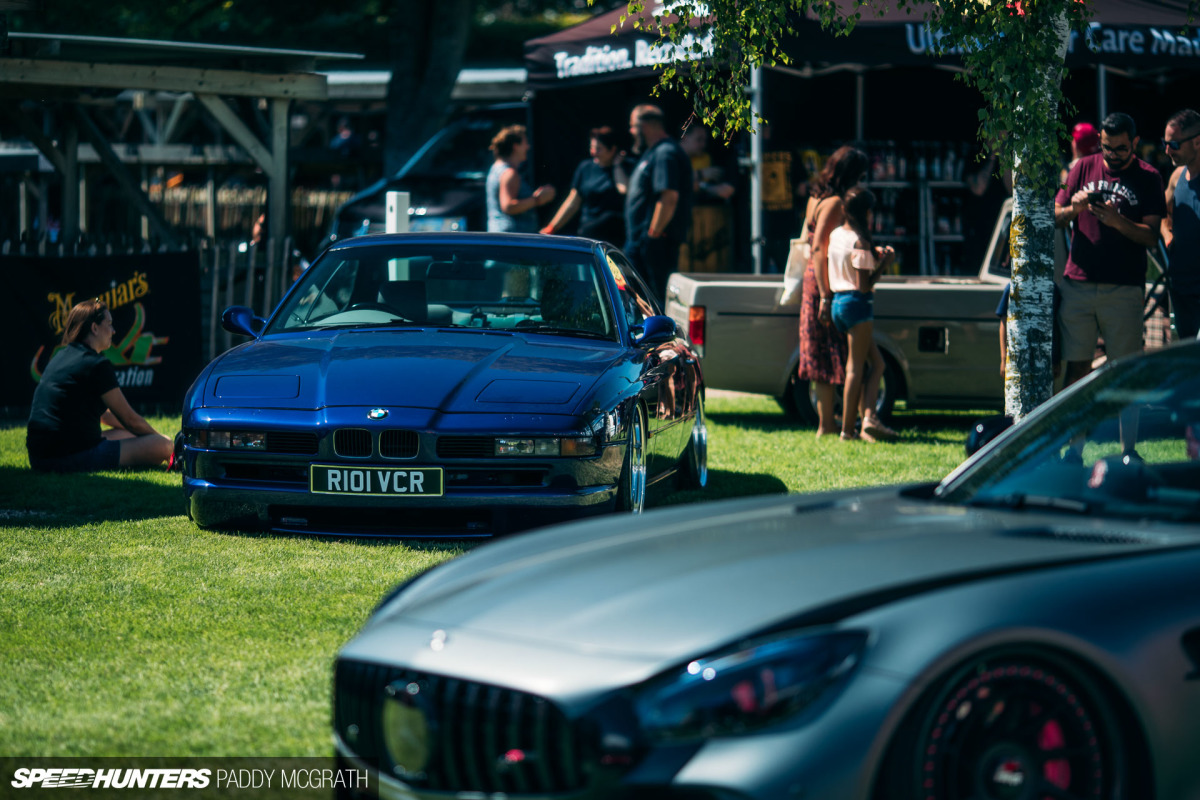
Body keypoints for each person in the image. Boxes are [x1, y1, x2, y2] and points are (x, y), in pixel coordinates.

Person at [1055, 112, 1164, 460]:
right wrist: (1074, 208)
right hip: (1079, 284)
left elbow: (1150, 237)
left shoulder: (1149, 177)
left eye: (1119, 149)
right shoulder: (1082, 167)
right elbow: (1054, 215)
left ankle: (1128, 451)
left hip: (1124, 287)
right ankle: (1075, 449)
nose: (1112, 156)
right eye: (1106, 148)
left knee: (1124, 372)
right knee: (1076, 369)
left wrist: (1118, 221)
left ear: (1134, 142)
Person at [26, 300, 173, 472]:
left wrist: (144, 435)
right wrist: (157, 438)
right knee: (164, 446)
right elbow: (130, 420)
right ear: (94, 328)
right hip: (69, 457)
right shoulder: (96, 364)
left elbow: (107, 417)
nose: (113, 330)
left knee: (131, 435)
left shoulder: (60, 357)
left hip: (39, 458)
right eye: (109, 324)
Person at [796, 145, 867, 438]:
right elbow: (818, 247)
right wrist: (826, 295)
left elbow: (804, 238)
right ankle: (827, 424)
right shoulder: (837, 202)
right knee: (825, 350)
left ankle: (827, 423)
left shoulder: (816, 197)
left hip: (812, 277)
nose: (862, 183)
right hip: (824, 280)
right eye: (860, 176)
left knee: (818, 350)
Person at [826, 187, 897, 441]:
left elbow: (845, 263)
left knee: (877, 363)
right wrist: (884, 265)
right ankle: (848, 430)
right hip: (858, 303)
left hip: (838, 303)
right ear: (867, 213)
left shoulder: (836, 235)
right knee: (855, 368)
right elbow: (864, 284)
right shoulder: (860, 241)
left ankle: (869, 420)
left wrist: (873, 257)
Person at [624, 104, 693, 302]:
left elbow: (669, 197)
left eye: (633, 126)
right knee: (641, 300)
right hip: (644, 241)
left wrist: (652, 235)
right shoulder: (654, 152)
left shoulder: (665, 152)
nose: (631, 131)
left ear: (644, 126)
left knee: (655, 299)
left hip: (656, 243)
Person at [541, 126, 628, 245]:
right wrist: (552, 227)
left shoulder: (624, 167)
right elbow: (572, 202)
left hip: (616, 238)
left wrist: (617, 166)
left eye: (599, 149)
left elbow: (624, 189)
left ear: (612, 149)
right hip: (589, 234)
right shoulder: (585, 168)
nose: (593, 152)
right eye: (592, 147)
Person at [1160, 108, 1200, 340]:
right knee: (1188, 363)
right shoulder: (1177, 177)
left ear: (1197, 141)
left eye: (1174, 144)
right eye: (1165, 143)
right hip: (1182, 287)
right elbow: (1164, 211)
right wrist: (1167, 234)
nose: (1167, 151)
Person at [678, 122, 736, 273]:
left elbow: (724, 190)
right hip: (683, 225)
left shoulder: (708, 158)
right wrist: (700, 176)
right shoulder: (674, 157)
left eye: (705, 140)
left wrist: (701, 185)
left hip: (709, 224)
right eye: (698, 139)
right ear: (685, 138)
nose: (703, 144)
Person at [486, 125, 556, 233]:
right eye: (525, 143)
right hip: (513, 240)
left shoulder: (495, 168)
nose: (528, 147)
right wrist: (538, 199)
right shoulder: (510, 173)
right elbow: (508, 206)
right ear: (516, 146)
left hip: (500, 235)